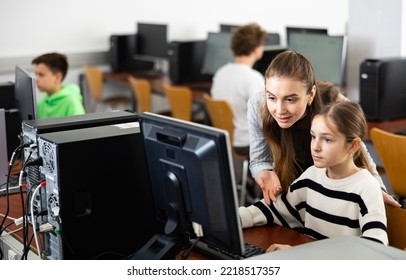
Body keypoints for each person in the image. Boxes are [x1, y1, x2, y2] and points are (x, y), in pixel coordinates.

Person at [247, 50, 401, 208]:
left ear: (311, 94)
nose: (279, 110)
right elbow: (259, 160)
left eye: (290, 99)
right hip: (290, 192)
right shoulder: (258, 105)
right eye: (271, 97)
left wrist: (376, 189)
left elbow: (360, 152)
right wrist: (265, 172)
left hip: (332, 193)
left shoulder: (335, 104)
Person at [239, 100, 389, 250]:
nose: (315, 147)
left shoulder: (367, 188)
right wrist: (231, 220)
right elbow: (274, 209)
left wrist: (301, 257)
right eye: (313, 136)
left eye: (327, 139)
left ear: (353, 145)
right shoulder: (312, 176)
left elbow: (374, 250)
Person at [210, 23, 267, 156]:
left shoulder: (220, 73)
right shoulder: (253, 78)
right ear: (256, 49)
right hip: (246, 143)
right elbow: (266, 116)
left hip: (225, 138)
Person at [32, 52, 85, 119]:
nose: (36, 79)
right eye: (36, 74)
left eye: (41, 75)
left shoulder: (72, 103)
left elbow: (80, 128)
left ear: (57, 77)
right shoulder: (42, 103)